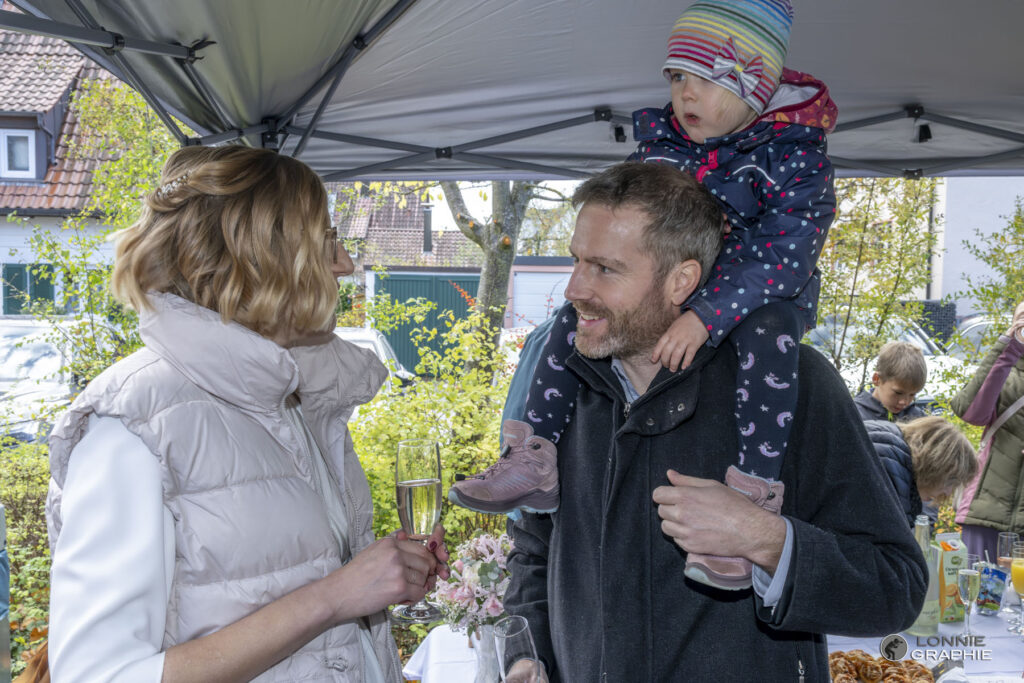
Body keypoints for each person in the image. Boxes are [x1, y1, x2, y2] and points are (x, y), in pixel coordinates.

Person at [450, 0, 838, 591]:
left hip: (762, 300)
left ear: (756, 87)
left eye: (707, 79)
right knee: (562, 323)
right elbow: (534, 554)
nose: (686, 93)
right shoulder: (664, 147)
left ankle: (754, 493)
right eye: (677, 76)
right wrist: (532, 636)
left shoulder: (794, 158)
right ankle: (533, 457)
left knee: (769, 330)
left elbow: (785, 255)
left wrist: (707, 314)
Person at [502, 161, 925, 683]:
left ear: (681, 280)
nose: (574, 288)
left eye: (604, 269)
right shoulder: (564, 384)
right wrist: (528, 656)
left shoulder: (792, 384)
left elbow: (895, 586)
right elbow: (534, 548)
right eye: (576, 260)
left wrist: (767, 540)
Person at [45, 146, 449, 682]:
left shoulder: (289, 397)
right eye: (327, 240)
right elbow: (96, 676)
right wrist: (336, 595)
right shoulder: (135, 426)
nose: (345, 265)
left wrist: (379, 574)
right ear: (260, 260)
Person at [950, 300, 1024, 560]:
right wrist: (1007, 347)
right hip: (985, 511)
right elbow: (970, 411)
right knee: (976, 584)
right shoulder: (1003, 369)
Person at [864, 416, 978, 527]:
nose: (948, 493)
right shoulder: (888, 464)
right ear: (938, 464)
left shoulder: (893, 454)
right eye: (951, 481)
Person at [854, 341, 929, 422]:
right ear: (877, 379)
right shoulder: (855, 416)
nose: (904, 402)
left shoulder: (918, 419)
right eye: (898, 393)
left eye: (912, 394)